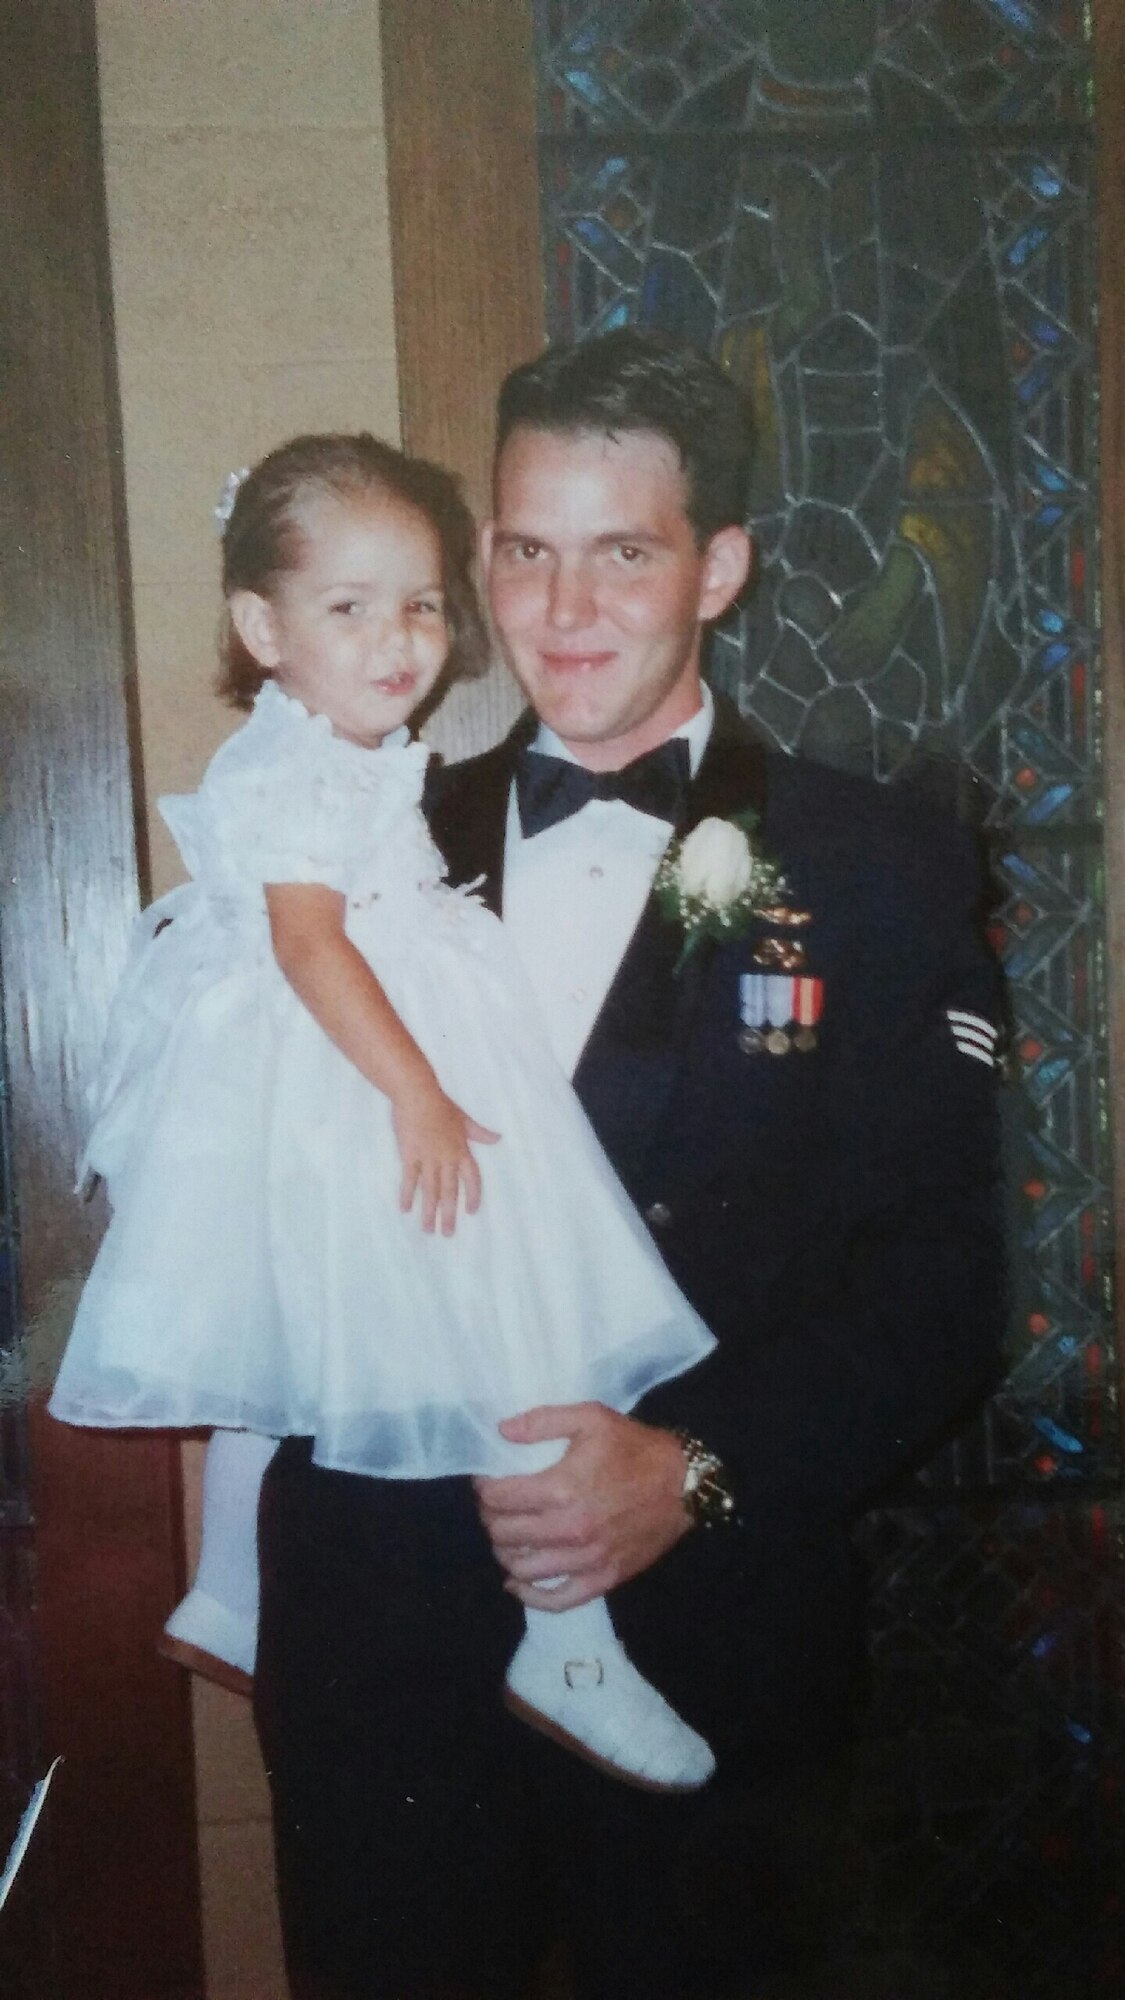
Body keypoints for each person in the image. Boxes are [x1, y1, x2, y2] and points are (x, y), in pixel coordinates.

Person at [252, 330, 1006, 2000]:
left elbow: (946, 1289)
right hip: (385, 1638)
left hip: (706, 1630)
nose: (563, 610)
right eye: (524, 550)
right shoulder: (361, 838)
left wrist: (697, 1469)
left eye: (622, 551)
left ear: (717, 567)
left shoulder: (870, 861)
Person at [49, 429, 735, 1792]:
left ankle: (233, 1593)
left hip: (342, 1063)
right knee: (505, 1305)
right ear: (259, 623)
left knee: (304, 1338)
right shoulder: (297, 762)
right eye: (349, 607)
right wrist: (420, 1093)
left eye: (420, 602)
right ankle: (566, 1631)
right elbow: (312, 944)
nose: (400, 639)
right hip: (351, 1073)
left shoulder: (347, 750)